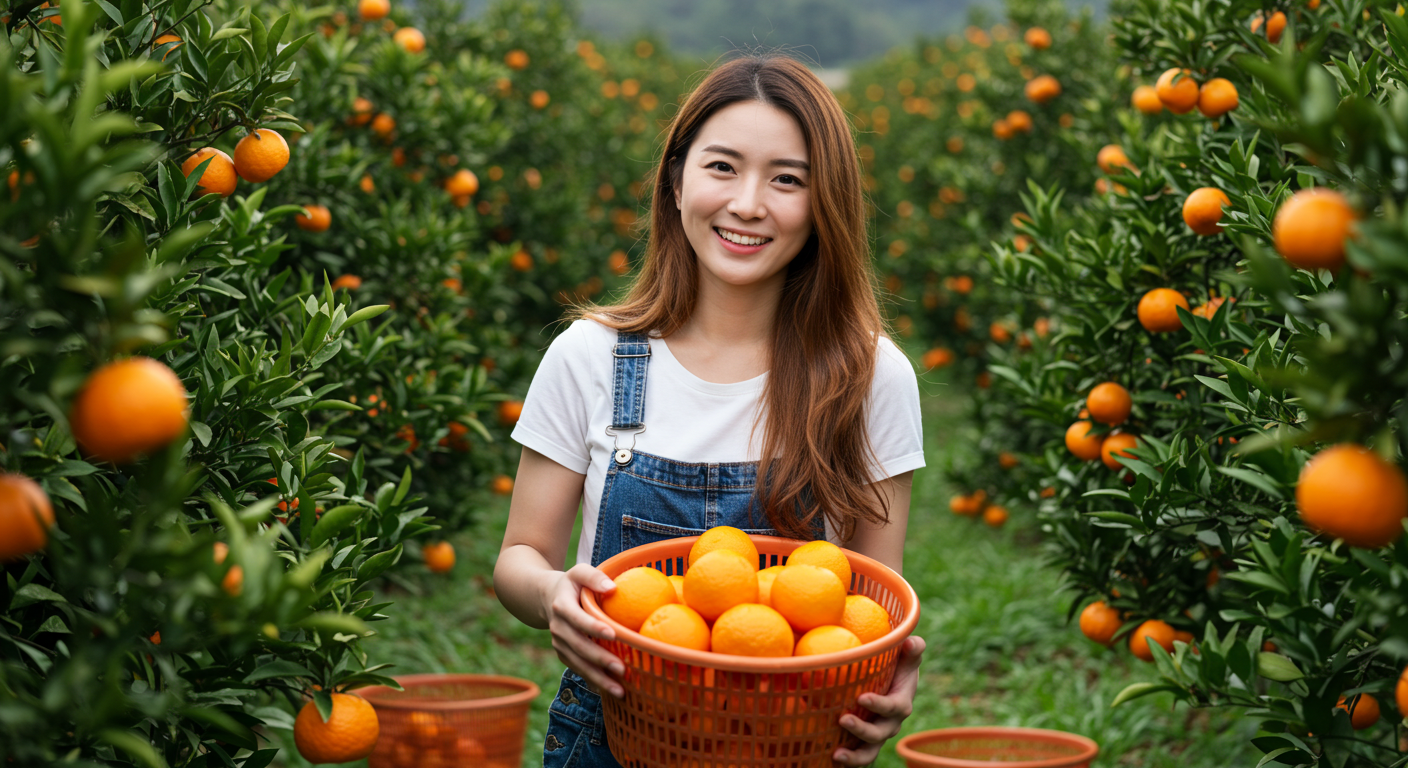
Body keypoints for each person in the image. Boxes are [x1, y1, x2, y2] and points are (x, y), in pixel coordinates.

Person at [493, 53, 927, 767]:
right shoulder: (589, 356)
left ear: (826, 205)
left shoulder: (870, 374)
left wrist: (888, 668)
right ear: (676, 178)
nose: (749, 203)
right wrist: (550, 596)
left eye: (787, 179)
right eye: (722, 166)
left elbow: (878, 595)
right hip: (616, 740)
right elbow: (520, 557)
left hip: (792, 739)